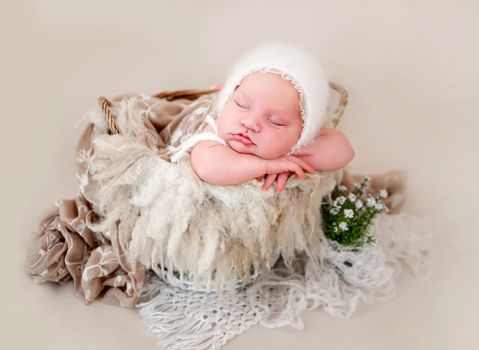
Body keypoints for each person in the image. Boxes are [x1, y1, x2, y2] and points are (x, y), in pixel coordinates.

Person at [188, 44, 355, 192]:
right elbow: (207, 168)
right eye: (242, 104)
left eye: (275, 121)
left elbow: (344, 152)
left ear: (301, 134)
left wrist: (289, 155)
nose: (250, 123)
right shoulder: (215, 125)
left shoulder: (291, 141)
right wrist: (268, 165)